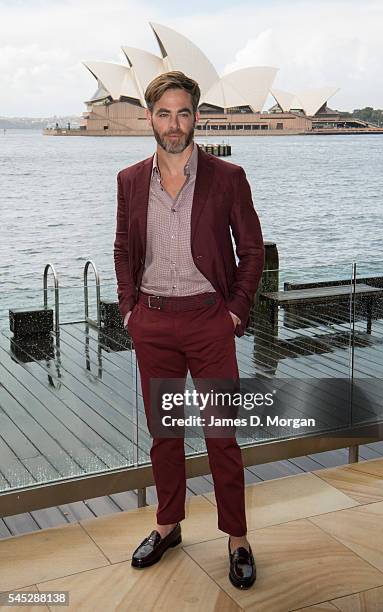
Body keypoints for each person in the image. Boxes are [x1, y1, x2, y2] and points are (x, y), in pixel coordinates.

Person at [113, 71, 264, 589]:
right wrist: (130, 309)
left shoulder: (227, 177)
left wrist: (235, 312)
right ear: (149, 118)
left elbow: (252, 251)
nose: (173, 124)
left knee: (222, 434)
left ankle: (237, 537)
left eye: (182, 113)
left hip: (208, 321)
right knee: (164, 434)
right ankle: (167, 524)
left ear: (196, 116)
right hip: (152, 322)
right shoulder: (130, 180)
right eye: (163, 113)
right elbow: (121, 249)